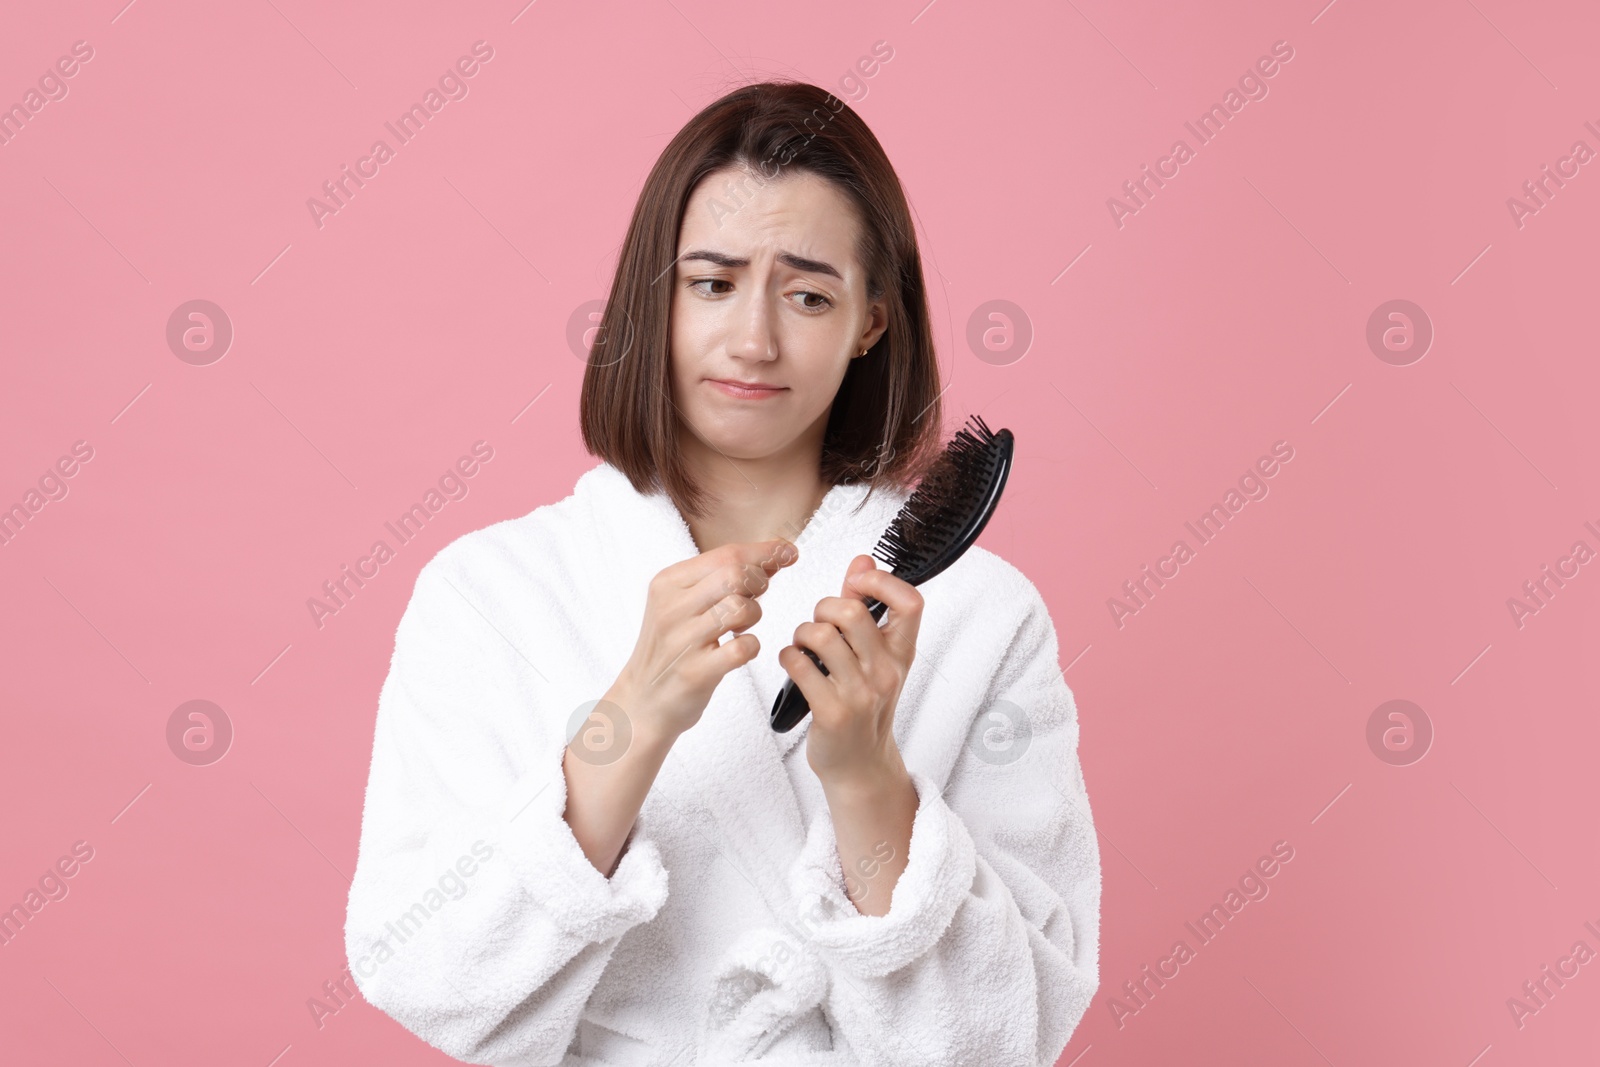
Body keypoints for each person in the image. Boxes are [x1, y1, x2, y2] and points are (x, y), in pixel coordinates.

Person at [344, 80, 1100, 1065]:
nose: (754, 339)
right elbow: (428, 977)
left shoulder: (981, 614)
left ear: (871, 319)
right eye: (711, 282)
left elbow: (1010, 1034)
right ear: (653, 298)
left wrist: (868, 778)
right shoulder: (490, 594)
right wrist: (635, 715)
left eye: (808, 294)